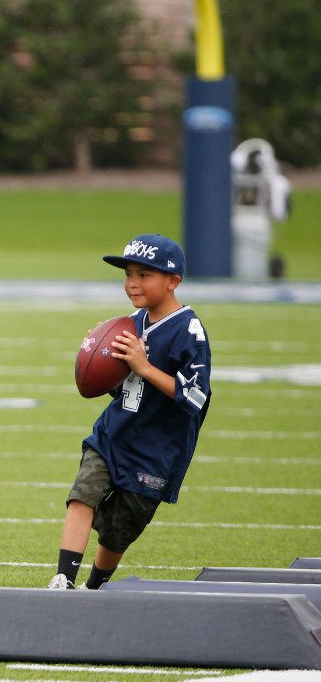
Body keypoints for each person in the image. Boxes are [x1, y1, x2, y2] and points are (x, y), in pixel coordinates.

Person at [48, 234, 211, 590]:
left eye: (143, 275)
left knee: (117, 532)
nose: (132, 283)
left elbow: (196, 398)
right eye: (128, 275)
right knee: (82, 494)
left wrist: (144, 365)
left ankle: (94, 587)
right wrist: (98, 359)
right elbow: (114, 387)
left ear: (173, 281)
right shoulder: (128, 324)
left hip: (156, 449)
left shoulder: (189, 331)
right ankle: (63, 579)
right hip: (114, 433)